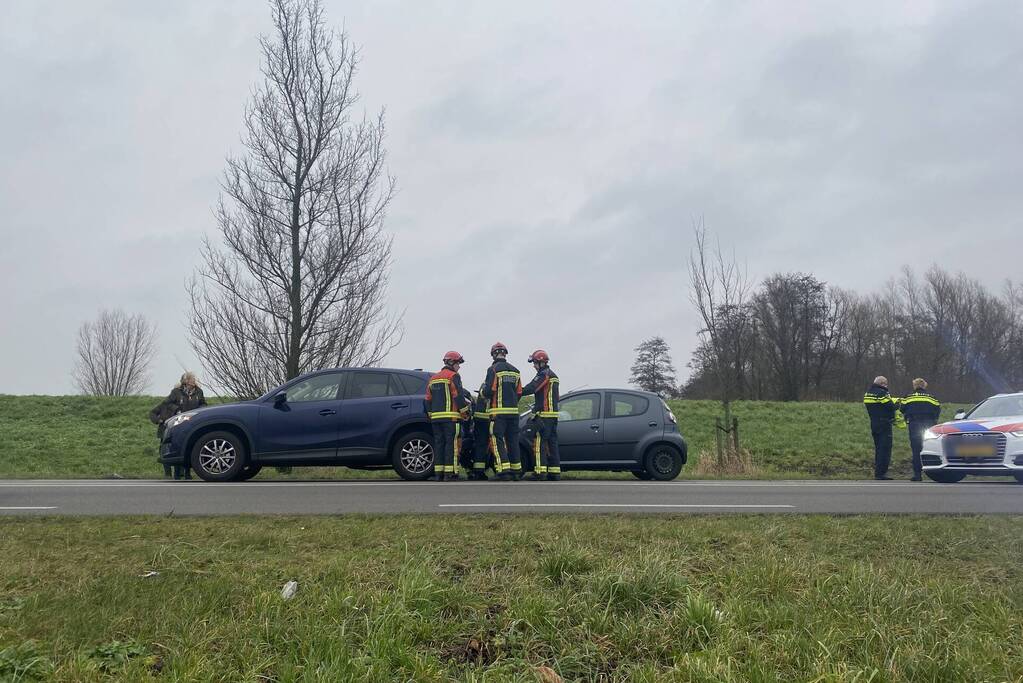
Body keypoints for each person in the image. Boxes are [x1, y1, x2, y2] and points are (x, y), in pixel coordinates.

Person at [148, 372, 207, 480]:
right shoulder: (176, 392)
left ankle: (186, 473)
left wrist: (200, 411)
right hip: (177, 422)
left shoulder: (199, 392)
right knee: (175, 447)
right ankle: (172, 474)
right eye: (191, 379)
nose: (193, 381)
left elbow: (203, 404)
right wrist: (176, 410)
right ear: (185, 381)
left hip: (191, 421)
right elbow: (167, 403)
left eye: (193, 379)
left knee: (189, 446)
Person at [425, 351, 469, 481]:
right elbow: (458, 396)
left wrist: (431, 415)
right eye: (458, 363)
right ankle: (450, 473)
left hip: (436, 419)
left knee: (439, 444)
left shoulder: (433, 378)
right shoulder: (454, 376)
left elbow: (428, 399)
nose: (459, 366)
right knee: (452, 444)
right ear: (451, 363)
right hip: (451, 418)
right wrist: (465, 413)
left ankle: (439, 474)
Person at [482, 342, 522, 481]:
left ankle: (503, 471)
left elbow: (488, 391)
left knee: (497, 439)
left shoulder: (493, 369)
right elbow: (519, 392)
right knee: (513, 441)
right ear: (505, 353)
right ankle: (516, 471)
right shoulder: (516, 371)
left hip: (498, 413)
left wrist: (482, 391)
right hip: (513, 412)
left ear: (493, 354)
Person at [521, 349, 561, 481]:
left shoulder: (544, 374)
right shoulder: (554, 375)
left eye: (534, 362)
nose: (533, 365)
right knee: (552, 443)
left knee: (539, 443)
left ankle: (540, 472)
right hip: (553, 415)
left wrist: (517, 391)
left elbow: (532, 387)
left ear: (540, 362)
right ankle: (554, 472)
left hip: (543, 415)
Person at [899, 378, 941, 482]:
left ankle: (917, 475)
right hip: (929, 425)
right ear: (924, 386)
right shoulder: (932, 398)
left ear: (914, 386)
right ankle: (933, 472)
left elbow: (902, 409)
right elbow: (937, 410)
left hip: (914, 425)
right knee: (929, 449)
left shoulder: (908, 397)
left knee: (916, 449)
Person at [863, 375, 897, 480]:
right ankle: (881, 473)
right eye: (886, 384)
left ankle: (877, 472)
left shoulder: (867, 393)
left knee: (878, 449)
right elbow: (891, 406)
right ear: (882, 384)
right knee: (885, 449)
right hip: (884, 424)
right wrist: (897, 403)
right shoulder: (882, 393)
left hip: (874, 423)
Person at [470, 384, 501, 480]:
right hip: (489, 418)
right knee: (495, 444)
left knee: (480, 445)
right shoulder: (496, 384)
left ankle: (478, 472)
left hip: (479, 419)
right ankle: (498, 470)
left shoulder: (485, 385)